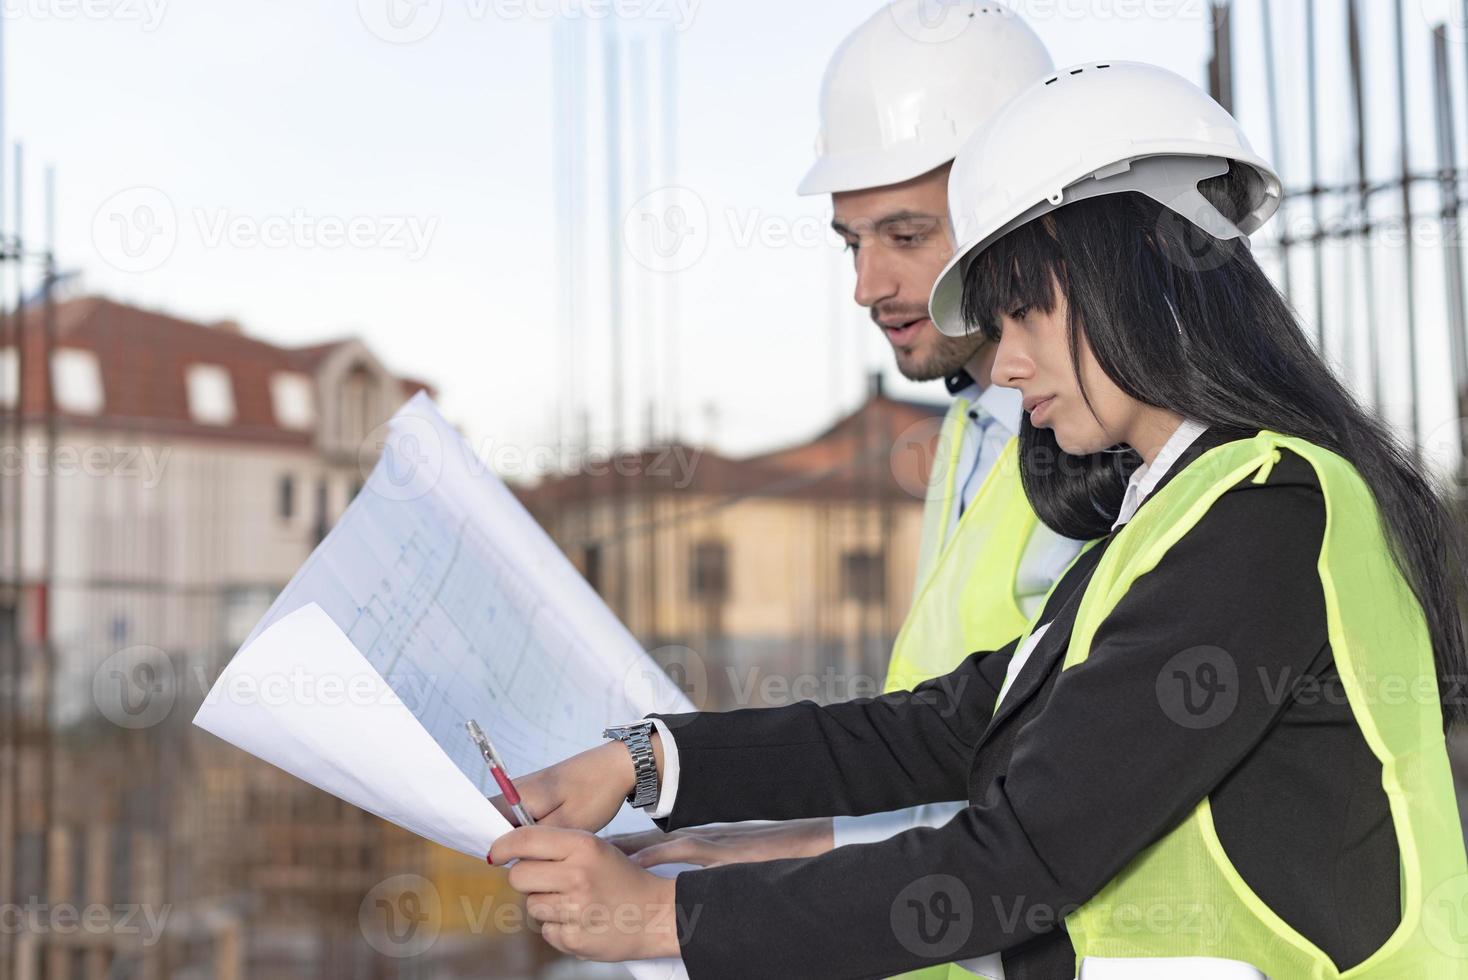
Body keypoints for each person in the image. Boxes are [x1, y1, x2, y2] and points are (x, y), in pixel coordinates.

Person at [491, 63, 1468, 980]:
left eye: (1019, 315)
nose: (1000, 365)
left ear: (1125, 271)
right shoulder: (1168, 522)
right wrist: (649, 760)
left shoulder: (1266, 516)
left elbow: (1022, 851)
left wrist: (663, 916)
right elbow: (946, 726)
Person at [610, 13, 1077, 978]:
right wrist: (782, 845)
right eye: (850, 243)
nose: (868, 284)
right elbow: (957, 736)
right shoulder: (969, 431)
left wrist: (693, 916)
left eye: (906, 235)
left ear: (1024, 214)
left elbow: (1075, 801)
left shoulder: (1108, 452)